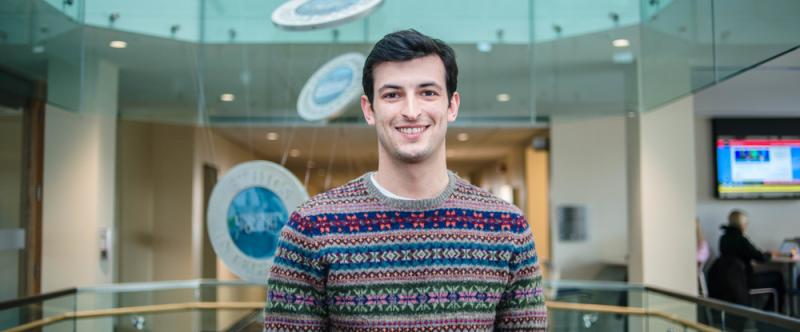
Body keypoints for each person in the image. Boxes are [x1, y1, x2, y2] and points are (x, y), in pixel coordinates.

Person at [264, 29, 547, 331]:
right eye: (392, 95)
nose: (411, 111)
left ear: (451, 106)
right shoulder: (311, 227)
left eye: (428, 92)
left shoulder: (506, 227)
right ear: (368, 109)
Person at [712, 209, 784, 312]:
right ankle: (771, 313)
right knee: (778, 277)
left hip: (730, 282)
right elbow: (760, 257)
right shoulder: (741, 240)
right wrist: (770, 254)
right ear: (742, 224)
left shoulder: (723, 238)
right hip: (744, 280)